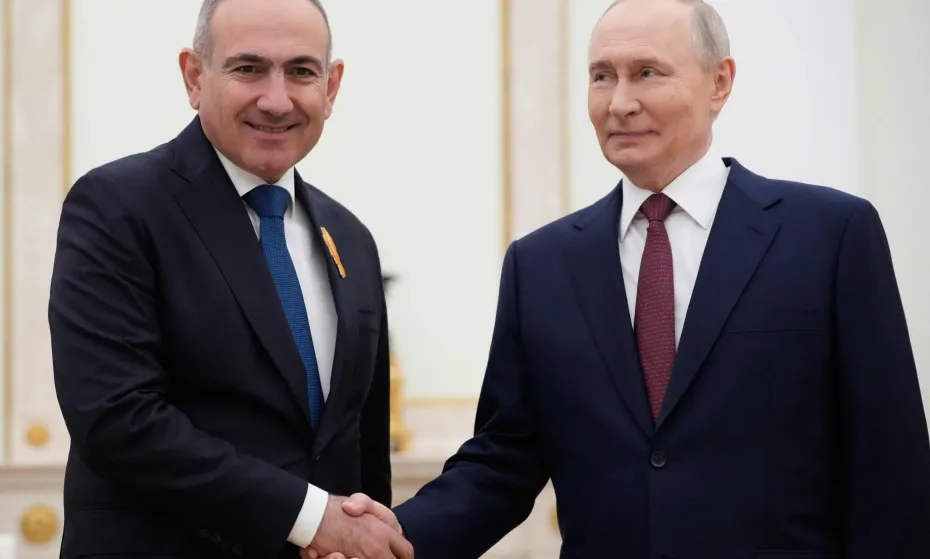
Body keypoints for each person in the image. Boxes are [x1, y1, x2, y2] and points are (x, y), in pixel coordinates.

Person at [311, 0, 930, 557]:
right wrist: (393, 540)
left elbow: (890, 464)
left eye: (647, 72)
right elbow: (504, 460)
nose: (619, 101)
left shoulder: (828, 235)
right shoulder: (541, 264)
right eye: (601, 75)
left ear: (720, 82)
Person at [48, 0, 412, 558]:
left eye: (301, 71)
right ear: (194, 77)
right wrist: (313, 518)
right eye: (248, 68)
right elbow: (120, 421)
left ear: (331, 87)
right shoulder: (118, 208)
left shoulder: (352, 240)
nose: (276, 99)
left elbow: (360, 449)